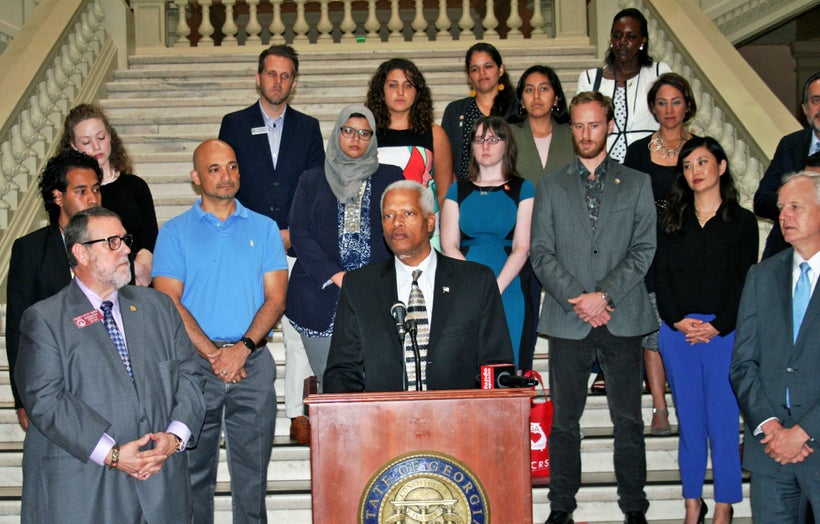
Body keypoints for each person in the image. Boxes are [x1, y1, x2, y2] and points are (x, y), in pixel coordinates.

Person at [15, 207, 205, 523]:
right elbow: (45, 400)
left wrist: (175, 437)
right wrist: (112, 454)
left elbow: (190, 375)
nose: (126, 250)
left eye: (125, 240)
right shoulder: (45, 319)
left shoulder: (158, 307)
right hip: (85, 489)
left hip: (159, 483)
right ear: (81, 253)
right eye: (112, 242)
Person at [532, 91, 657, 524]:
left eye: (595, 125)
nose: (586, 133)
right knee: (564, 423)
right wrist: (580, 299)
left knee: (629, 422)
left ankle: (634, 507)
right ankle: (561, 507)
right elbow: (541, 253)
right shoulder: (550, 186)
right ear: (572, 128)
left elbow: (644, 249)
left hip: (622, 316)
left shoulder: (637, 183)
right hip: (569, 319)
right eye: (579, 125)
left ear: (609, 126)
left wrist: (604, 295)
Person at [152, 139, 288, 524]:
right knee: (193, 477)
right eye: (214, 169)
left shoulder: (264, 229)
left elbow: (276, 298)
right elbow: (168, 301)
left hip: (252, 365)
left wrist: (241, 349)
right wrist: (215, 355)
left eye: (231, 166)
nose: (226, 175)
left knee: (252, 482)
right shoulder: (174, 232)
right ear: (196, 177)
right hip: (195, 368)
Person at [218, 43, 324, 443]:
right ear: (258, 77)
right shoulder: (234, 124)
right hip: (246, 244)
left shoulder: (308, 128)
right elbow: (224, 184)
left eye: (285, 75)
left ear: (293, 83)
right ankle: (236, 409)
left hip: (295, 244)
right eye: (271, 73)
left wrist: (295, 230)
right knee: (244, 327)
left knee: (296, 330)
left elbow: (315, 186)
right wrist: (256, 232)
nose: (277, 81)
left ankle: (298, 413)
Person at [324, 180, 514, 393]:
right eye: (388, 216)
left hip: (457, 412)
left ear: (430, 222)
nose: (397, 223)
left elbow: (496, 364)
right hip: (385, 413)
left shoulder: (476, 282)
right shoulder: (359, 286)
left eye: (408, 213)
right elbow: (342, 371)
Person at [656, 137, 757, 523]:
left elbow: (745, 281)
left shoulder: (742, 222)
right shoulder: (671, 219)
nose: (694, 171)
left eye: (701, 162)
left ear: (721, 166)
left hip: (723, 335)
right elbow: (661, 276)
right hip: (679, 334)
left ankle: (724, 506)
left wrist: (718, 326)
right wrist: (676, 319)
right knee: (691, 423)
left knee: (724, 423)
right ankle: (692, 504)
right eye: (687, 166)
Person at [287, 105, 403, 399]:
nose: (355, 138)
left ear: (373, 139)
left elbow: (401, 229)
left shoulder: (391, 178)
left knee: (378, 386)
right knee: (331, 387)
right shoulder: (311, 180)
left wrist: (371, 280)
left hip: (377, 296)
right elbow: (299, 232)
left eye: (364, 133)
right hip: (321, 295)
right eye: (348, 130)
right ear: (338, 133)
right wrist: (335, 275)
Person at [731, 170, 820, 523]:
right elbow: (742, 364)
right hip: (770, 451)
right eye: (781, 208)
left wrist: (803, 432)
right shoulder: (761, 276)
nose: (784, 216)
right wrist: (771, 428)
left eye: (795, 207)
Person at [5, 150, 102, 432]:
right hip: (53, 381)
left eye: (96, 189)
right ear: (58, 197)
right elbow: (18, 327)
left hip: (104, 376)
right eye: (81, 191)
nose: (93, 199)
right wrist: (22, 396)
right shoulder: (30, 250)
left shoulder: (112, 244)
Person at [624, 72, 697, 436]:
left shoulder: (702, 149)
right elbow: (625, 205)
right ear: (653, 108)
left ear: (687, 106)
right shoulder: (637, 151)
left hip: (690, 248)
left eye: (676, 102)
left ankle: (689, 404)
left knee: (686, 329)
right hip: (648, 248)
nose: (669, 110)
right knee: (652, 330)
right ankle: (659, 407)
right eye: (662, 102)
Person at [441, 116, 535, 369]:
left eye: (493, 139)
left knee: (510, 363)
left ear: (507, 145)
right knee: (467, 364)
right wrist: (476, 286)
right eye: (479, 139)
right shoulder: (457, 189)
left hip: (510, 284)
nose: (485, 145)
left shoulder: (524, 188)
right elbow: (448, 246)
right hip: (465, 286)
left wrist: (494, 287)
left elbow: (522, 247)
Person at [59, 103, 158, 286]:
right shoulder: (71, 194)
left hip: (138, 280)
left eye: (101, 137)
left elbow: (150, 237)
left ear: (110, 136)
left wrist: (141, 267)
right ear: (73, 145)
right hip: (94, 281)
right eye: (86, 142)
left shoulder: (135, 185)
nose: (97, 146)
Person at [577, 8, 671, 162]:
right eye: (617, 35)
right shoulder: (590, 79)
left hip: (649, 163)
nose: (622, 42)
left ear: (643, 40)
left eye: (631, 36)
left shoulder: (658, 73)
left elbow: (671, 119)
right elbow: (581, 126)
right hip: (603, 166)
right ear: (611, 39)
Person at [365, 57, 453, 208]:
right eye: (393, 85)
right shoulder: (367, 133)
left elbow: (444, 193)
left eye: (407, 85)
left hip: (425, 220)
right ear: (381, 92)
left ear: (417, 92)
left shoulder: (435, 134)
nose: (400, 92)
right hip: (378, 218)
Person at [754, 71, 820, 259]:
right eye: (816, 100)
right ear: (805, 108)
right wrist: (799, 207)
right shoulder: (790, 145)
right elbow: (762, 200)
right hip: (785, 253)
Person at [441, 42, 517, 180]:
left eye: (488, 66)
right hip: (467, 189)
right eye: (475, 69)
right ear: (469, 76)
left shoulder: (517, 107)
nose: (482, 73)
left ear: (500, 69)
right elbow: (445, 160)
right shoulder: (455, 111)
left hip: (510, 188)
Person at [510, 64, 574, 180]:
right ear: (521, 102)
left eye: (543, 89)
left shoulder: (571, 134)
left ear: (555, 99)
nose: (536, 96)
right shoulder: (508, 134)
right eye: (529, 90)